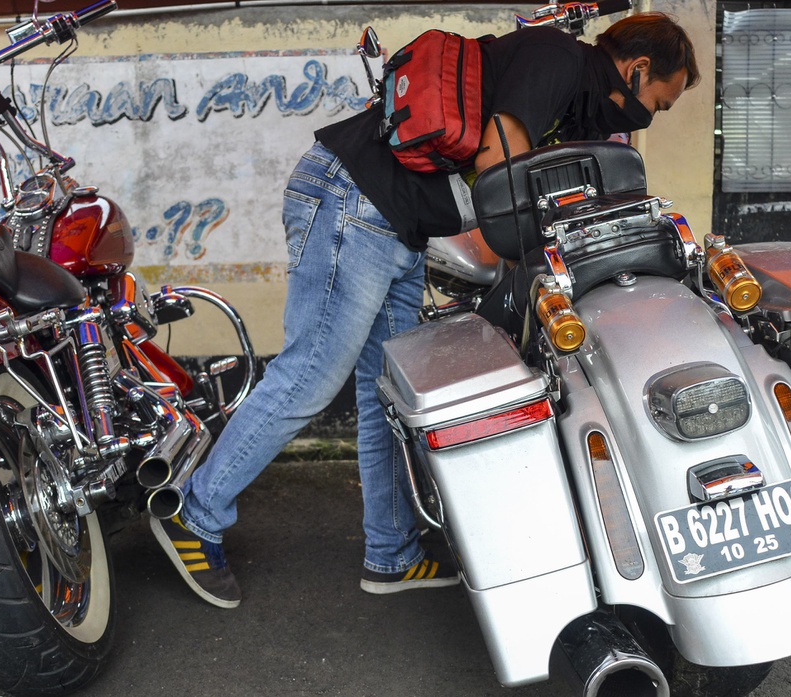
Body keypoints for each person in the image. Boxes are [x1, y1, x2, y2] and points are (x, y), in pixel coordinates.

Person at [151, 12, 700, 609]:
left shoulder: (573, 99)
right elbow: (501, 169)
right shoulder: (560, 60)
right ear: (637, 69)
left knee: (385, 393)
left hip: (395, 224)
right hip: (350, 200)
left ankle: (392, 553)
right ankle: (195, 514)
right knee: (311, 373)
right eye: (658, 103)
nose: (650, 117)